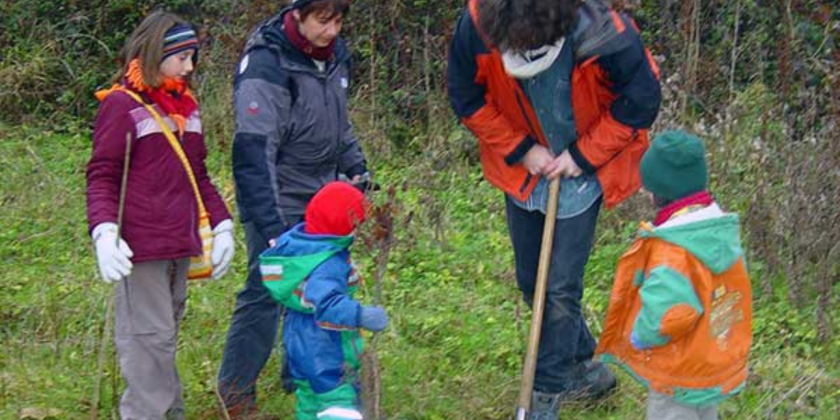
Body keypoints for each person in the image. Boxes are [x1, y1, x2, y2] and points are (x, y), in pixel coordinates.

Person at [447, 0, 661, 417]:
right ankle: (583, 364)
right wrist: (521, 150)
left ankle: (545, 395)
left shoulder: (607, 34)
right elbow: (466, 97)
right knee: (532, 281)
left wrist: (580, 157)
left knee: (560, 287)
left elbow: (641, 101)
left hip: (585, 163)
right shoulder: (478, 25)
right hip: (526, 165)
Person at [219, 0, 370, 416]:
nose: (332, 31)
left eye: (339, 20)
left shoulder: (336, 57)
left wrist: (356, 168)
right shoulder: (267, 63)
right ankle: (234, 388)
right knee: (267, 289)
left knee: (320, 289)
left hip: (322, 195)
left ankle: (302, 376)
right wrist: (270, 226)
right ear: (298, 15)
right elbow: (253, 148)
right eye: (323, 20)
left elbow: (340, 125)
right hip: (275, 190)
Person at [86, 11, 234, 420]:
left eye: (192, 58)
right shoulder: (121, 105)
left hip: (179, 243)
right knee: (148, 340)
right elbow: (102, 174)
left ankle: (170, 412)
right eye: (182, 57)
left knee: (162, 340)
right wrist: (104, 231)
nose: (188, 67)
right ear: (155, 54)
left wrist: (223, 224)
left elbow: (199, 175)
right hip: (141, 247)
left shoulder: (186, 107)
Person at [595, 130, 753, 420]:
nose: (645, 192)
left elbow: (670, 314)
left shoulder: (672, 248)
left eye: (649, 186)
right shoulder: (717, 231)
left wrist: (641, 335)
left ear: (661, 191)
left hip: (678, 371)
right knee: (705, 413)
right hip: (709, 359)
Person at [260, 181, 387, 420]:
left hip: (297, 339)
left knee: (309, 403)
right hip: (325, 346)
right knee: (338, 405)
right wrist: (362, 315)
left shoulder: (299, 245)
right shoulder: (326, 263)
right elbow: (327, 304)